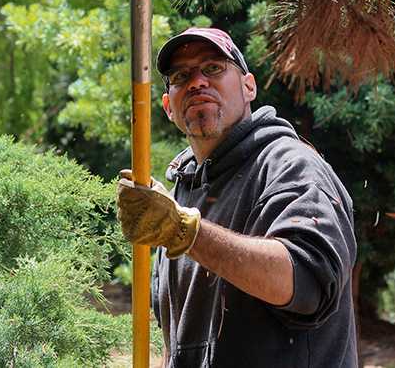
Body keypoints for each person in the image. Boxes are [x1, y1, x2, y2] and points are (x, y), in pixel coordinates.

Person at [116, 27, 358, 368]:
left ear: (248, 87)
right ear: (169, 107)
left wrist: (187, 233)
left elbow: (304, 282)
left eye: (213, 68)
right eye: (181, 76)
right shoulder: (178, 197)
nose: (197, 82)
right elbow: (179, 342)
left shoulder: (291, 166)